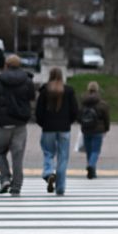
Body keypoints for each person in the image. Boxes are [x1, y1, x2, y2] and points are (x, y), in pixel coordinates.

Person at [0, 53, 35, 195]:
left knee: (0, 153)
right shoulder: (27, 80)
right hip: (20, 124)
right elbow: (32, 97)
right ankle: (16, 186)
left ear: (6, 65)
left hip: (2, 124)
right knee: (17, 156)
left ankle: (5, 177)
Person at [35, 66, 78, 195]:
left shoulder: (44, 91)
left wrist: (42, 123)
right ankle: (60, 187)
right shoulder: (69, 91)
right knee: (63, 157)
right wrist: (68, 122)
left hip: (48, 128)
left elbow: (38, 111)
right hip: (64, 128)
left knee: (48, 152)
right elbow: (74, 110)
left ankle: (48, 173)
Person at [79, 80, 111, 179]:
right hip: (98, 130)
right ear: (97, 89)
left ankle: (91, 171)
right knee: (95, 151)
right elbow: (106, 118)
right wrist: (106, 128)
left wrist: (82, 123)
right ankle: (91, 166)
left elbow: (78, 115)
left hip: (86, 129)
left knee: (89, 151)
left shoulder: (83, 102)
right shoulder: (102, 104)